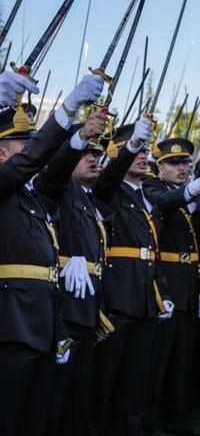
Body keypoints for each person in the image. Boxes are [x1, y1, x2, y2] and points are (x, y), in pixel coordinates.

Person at [0, 72, 106, 435]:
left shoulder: (30, 196)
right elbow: (27, 164)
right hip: (10, 324)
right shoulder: (5, 185)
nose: (32, 151)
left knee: (37, 419)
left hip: (43, 324)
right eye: (23, 145)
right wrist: (66, 110)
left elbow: (55, 174)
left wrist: (77, 138)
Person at [92, 117, 176, 436]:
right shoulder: (109, 189)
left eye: (144, 150)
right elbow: (107, 178)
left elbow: (153, 251)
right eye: (136, 150)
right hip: (117, 295)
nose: (143, 156)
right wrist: (128, 148)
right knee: (106, 377)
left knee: (137, 378)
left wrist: (162, 292)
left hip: (145, 296)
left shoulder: (147, 197)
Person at [143, 137, 200, 433]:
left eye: (186, 162)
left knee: (182, 359)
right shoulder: (153, 188)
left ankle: (178, 417)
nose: (183, 168)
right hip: (165, 281)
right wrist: (195, 188)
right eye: (174, 163)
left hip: (188, 282)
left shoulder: (188, 194)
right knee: (157, 359)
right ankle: (148, 417)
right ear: (159, 167)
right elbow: (166, 203)